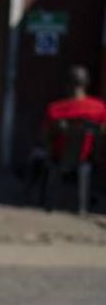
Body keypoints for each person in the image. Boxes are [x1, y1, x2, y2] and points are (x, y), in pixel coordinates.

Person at [40, 65, 105, 215]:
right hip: (86, 159)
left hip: (59, 157)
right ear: (87, 83)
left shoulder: (54, 109)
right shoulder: (99, 108)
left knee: (37, 155)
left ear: (67, 84)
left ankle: (42, 198)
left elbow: (45, 136)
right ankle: (82, 206)